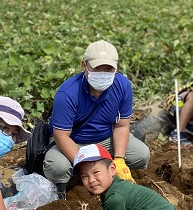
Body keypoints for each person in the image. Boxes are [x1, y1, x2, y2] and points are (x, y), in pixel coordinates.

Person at [43, 40, 150, 195]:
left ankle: (115, 174)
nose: (103, 73)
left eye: (108, 68)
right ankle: (64, 191)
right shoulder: (67, 94)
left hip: (105, 139)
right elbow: (61, 136)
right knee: (57, 167)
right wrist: (86, 164)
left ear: (116, 68)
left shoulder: (122, 85)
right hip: (75, 141)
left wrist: (119, 159)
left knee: (141, 155)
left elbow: (121, 126)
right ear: (84, 66)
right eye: (97, 68)